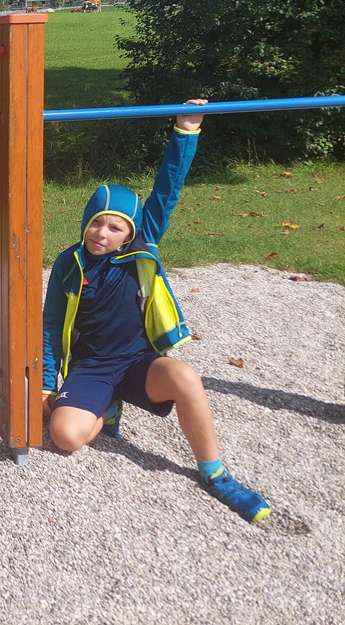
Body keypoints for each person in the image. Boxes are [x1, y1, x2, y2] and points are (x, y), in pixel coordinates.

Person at [41, 99, 271, 523]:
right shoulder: (68, 264)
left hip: (137, 362)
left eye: (115, 227)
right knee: (65, 436)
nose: (102, 233)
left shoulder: (142, 247)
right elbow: (51, 325)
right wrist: (44, 385)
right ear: (86, 221)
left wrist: (186, 130)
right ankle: (106, 406)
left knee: (185, 376)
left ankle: (214, 473)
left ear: (130, 232)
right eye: (97, 222)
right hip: (91, 368)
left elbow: (166, 190)